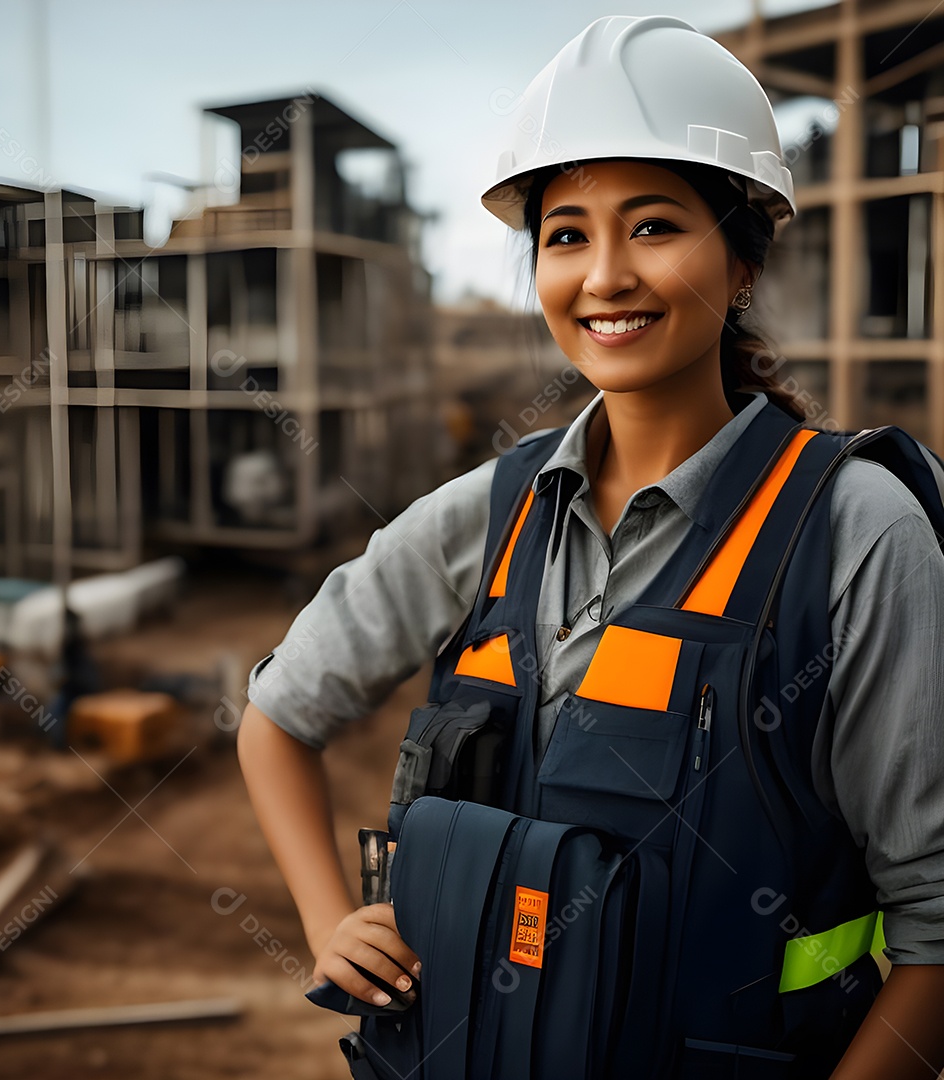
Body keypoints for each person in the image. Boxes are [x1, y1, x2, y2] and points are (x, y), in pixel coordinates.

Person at [237, 14, 944, 1078]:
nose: (604, 275)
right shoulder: (485, 515)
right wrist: (331, 919)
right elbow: (279, 716)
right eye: (565, 233)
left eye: (654, 226)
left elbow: (936, 927)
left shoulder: (855, 535)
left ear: (743, 259)